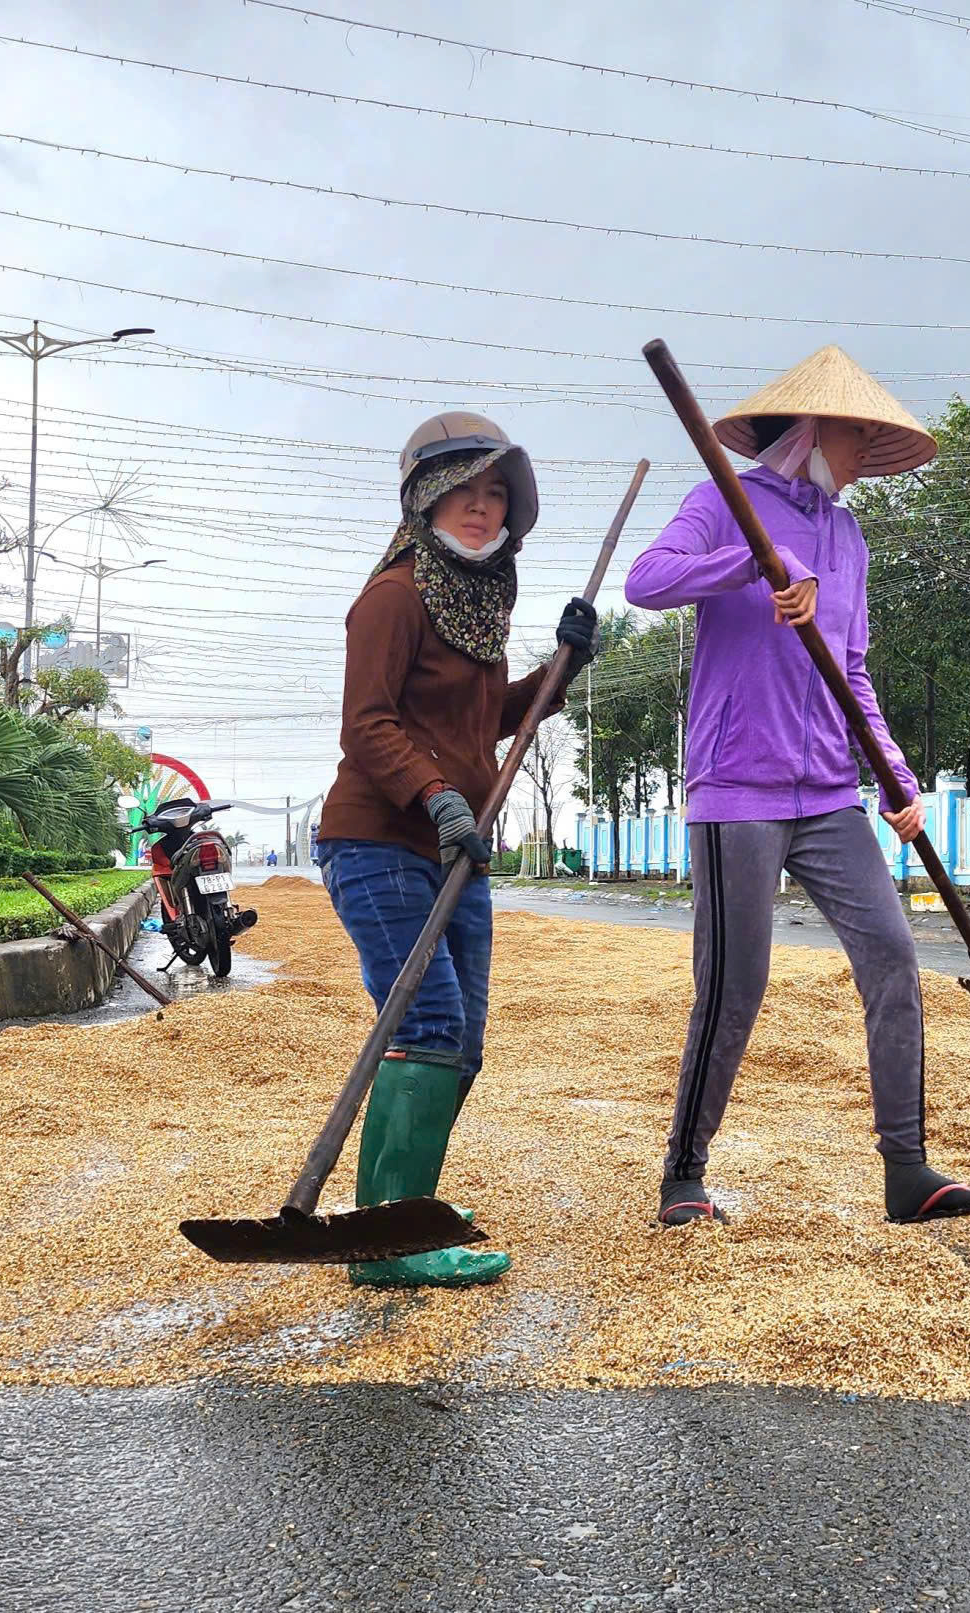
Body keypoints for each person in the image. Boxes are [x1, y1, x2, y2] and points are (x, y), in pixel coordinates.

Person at [626, 345, 970, 1229]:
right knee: (734, 983)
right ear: (809, 427)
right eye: (856, 430)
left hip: (831, 790)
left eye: (876, 434)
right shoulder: (725, 502)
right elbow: (647, 582)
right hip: (737, 789)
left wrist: (897, 780)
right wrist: (749, 565)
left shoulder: (849, 535)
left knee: (894, 960)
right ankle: (685, 1173)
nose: (868, 447)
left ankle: (905, 1170)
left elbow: (852, 669)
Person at [314, 411, 597, 1288]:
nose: (482, 508)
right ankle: (388, 1244)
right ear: (425, 499)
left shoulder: (478, 601)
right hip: (380, 841)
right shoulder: (395, 596)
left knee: (460, 1039)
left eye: (496, 494)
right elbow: (366, 725)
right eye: (465, 491)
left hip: (455, 849)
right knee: (426, 1022)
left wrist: (561, 668)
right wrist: (436, 795)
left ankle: (407, 1202)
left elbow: (491, 722)